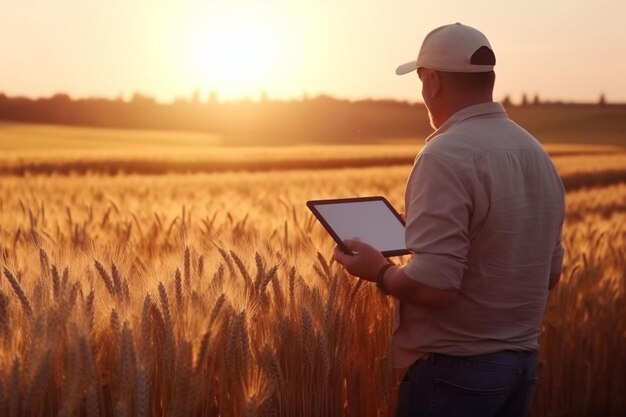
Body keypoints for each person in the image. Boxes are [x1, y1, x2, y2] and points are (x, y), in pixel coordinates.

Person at [333, 23, 565, 417]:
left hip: (455, 371)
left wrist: (380, 271)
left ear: (433, 83)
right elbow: (549, 273)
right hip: (520, 368)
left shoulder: (444, 155)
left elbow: (436, 286)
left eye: (422, 80)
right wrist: (432, 236)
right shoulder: (535, 153)